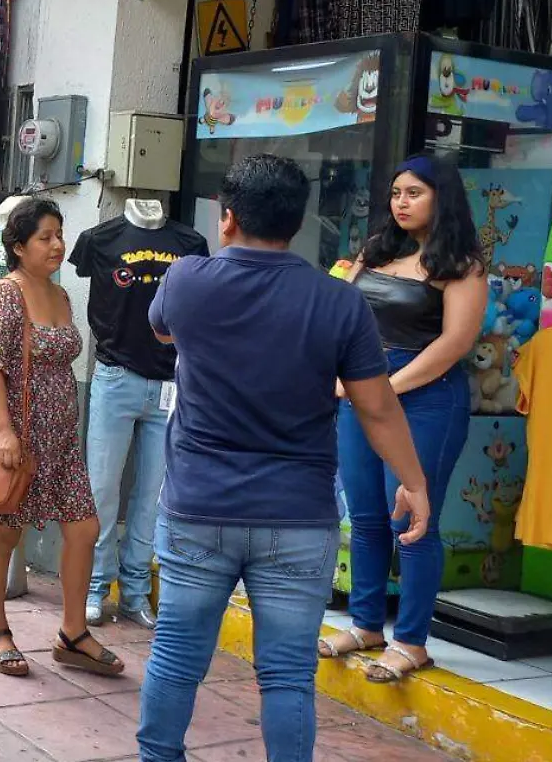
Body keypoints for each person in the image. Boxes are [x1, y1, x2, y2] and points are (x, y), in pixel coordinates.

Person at [140, 155, 431, 762]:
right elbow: (377, 410)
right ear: (296, 225)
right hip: (297, 516)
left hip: (199, 507)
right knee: (288, 676)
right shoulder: (339, 303)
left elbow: (163, 332)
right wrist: (414, 483)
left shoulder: (188, 280)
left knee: (176, 658)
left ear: (227, 219)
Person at [318, 156, 487, 681]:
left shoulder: (463, 265)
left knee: (412, 521)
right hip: (364, 389)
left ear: (443, 197)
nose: (401, 202)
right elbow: (341, 312)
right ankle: (367, 623)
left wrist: (383, 390)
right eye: (396, 193)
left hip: (425, 395)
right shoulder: (376, 251)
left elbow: (455, 343)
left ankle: (411, 641)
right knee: (365, 514)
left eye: (414, 192)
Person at [0, 198, 122, 679]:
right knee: (5, 532)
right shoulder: (5, 294)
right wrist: (4, 431)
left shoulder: (62, 295)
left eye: (59, 235)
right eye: (45, 237)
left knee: (85, 528)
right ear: (18, 246)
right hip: (16, 435)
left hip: (61, 439)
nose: (56, 245)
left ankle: (73, 633)